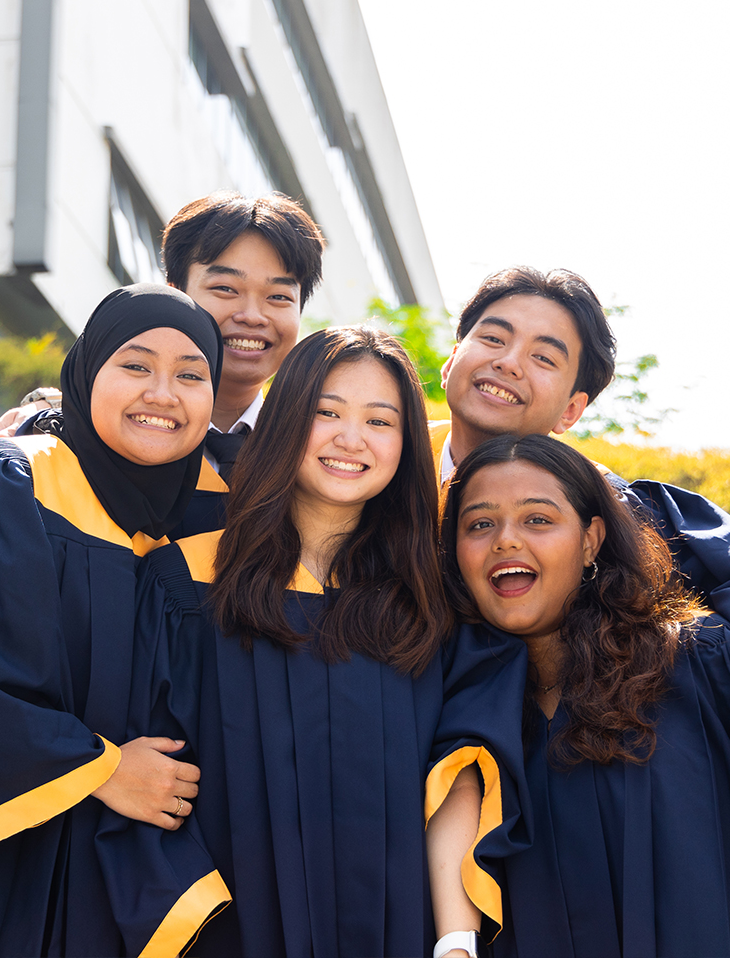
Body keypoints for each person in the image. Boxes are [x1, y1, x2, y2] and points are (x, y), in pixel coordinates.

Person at [94, 327, 529, 958]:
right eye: (326, 412)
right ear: (285, 421)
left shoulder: (435, 602)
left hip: (399, 931)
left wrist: (455, 940)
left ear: (406, 445)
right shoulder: (185, 582)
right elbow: (141, 780)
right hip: (227, 928)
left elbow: (463, 775)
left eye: (380, 421)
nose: (351, 439)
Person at [0, 285, 224, 957]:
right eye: (135, 365)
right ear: (88, 372)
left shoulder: (191, 526)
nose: (162, 392)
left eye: (190, 375)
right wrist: (101, 768)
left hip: (107, 880)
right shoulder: (10, 479)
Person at [440, 433, 730, 957]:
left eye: (538, 519)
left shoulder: (699, 663)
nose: (505, 540)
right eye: (480, 524)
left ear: (591, 539)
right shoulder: (465, 720)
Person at [434, 266, 730, 617]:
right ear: (451, 362)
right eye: (493, 339)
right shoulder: (378, 456)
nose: (508, 363)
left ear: (571, 411)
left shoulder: (611, 509)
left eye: (543, 358)